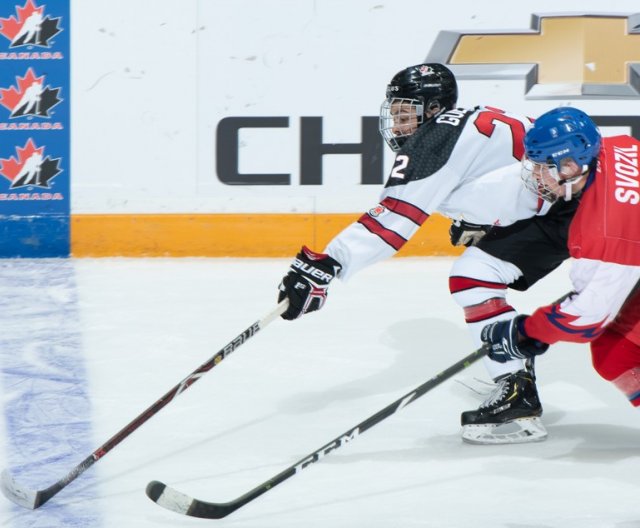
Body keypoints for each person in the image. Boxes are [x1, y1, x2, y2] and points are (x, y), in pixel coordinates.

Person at [276, 64, 577, 444]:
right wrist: (488, 220)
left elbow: (394, 220)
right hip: (566, 203)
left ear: (433, 109)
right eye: (396, 115)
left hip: (568, 211)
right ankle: (514, 382)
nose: (399, 125)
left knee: (477, 277)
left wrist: (326, 266)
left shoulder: (435, 140)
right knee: (476, 275)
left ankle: (518, 391)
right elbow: (516, 175)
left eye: (406, 114)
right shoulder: (472, 121)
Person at [479, 107, 640, 414]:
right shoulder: (617, 146)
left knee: (618, 353)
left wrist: (528, 331)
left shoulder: (603, 233)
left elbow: (586, 319)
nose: (537, 175)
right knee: (615, 349)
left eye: (543, 167)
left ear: (570, 164)